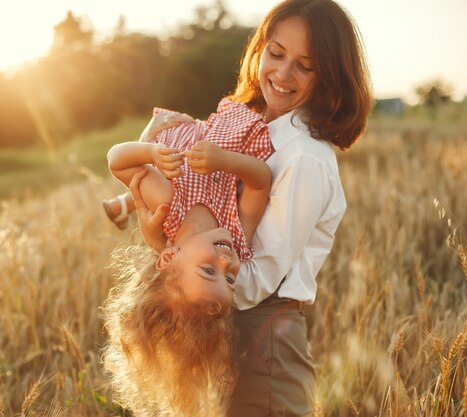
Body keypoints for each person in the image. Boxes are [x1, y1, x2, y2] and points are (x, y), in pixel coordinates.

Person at [129, 0, 373, 415]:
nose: (281, 73)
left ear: (330, 76)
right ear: (259, 49)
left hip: (264, 334)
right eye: (276, 54)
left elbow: (259, 276)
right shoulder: (249, 127)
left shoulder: (304, 158)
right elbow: (195, 196)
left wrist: (175, 260)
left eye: (305, 65)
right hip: (225, 324)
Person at [102, 99, 274, 417]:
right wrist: (226, 161)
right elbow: (261, 178)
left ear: (169, 258)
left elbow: (116, 161)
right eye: (230, 279)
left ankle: (119, 203)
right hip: (230, 134)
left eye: (209, 270)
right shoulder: (237, 236)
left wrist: (151, 153)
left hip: (179, 132)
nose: (226, 263)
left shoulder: (168, 204)